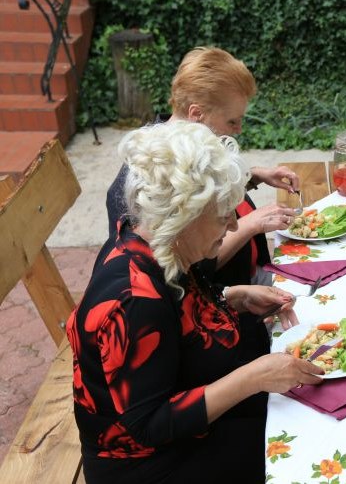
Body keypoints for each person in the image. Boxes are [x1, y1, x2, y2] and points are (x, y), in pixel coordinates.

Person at [68, 121, 322, 483]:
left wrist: (232, 297)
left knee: (302, 407)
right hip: (151, 464)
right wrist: (254, 377)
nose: (234, 227)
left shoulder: (154, 244)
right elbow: (148, 425)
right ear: (184, 218)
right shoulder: (134, 299)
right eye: (223, 216)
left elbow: (176, 310)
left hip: (186, 434)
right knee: (303, 447)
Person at [105, 46, 299, 289]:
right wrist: (251, 224)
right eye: (232, 121)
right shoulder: (143, 182)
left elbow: (204, 197)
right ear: (196, 114)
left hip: (247, 278)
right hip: (223, 297)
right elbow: (184, 273)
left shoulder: (190, 151)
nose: (238, 130)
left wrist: (252, 176)